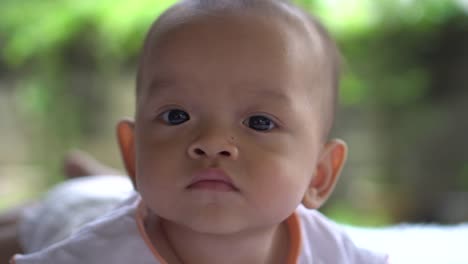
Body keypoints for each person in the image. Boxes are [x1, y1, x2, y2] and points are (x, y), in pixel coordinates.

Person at [11, 0, 390, 263]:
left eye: (260, 122)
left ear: (319, 175)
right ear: (133, 152)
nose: (211, 142)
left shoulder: (334, 254)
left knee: (115, 194)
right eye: (176, 116)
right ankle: (88, 182)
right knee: (38, 217)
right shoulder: (93, 254)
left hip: (129, 192)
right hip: (74, 211)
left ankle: (98, 177)